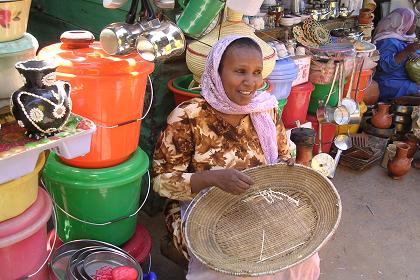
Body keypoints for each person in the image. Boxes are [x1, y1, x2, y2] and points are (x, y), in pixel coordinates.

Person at [153, 35, 320, 279]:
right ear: (217, 72)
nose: (250, 82)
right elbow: (161, 182)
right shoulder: (188, 116)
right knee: (232, 268)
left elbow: (282, 158)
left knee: (302, 256)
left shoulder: (265, 109)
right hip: (201, 209)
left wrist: (289, 166)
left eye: (256, 72)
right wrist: (212, 179)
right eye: (240, 71)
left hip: (259, 202)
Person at [372, 8, 420, 102]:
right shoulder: (387, 41)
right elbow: (384, 66)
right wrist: (406, 51)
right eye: (413, 23)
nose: (415, 25)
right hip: (393, 84)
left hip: (407, 80)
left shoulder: (406, 38)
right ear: (404, 24)